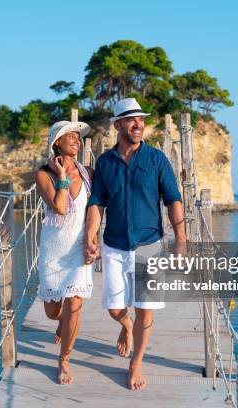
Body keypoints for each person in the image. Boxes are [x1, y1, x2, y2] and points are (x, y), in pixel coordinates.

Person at [84, 98, 187, 390]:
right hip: (114, 245)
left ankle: (136, 362)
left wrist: (181, 241)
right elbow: (96, 203)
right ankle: (125, 326)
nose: (138, 124)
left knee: (145, 307)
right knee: (115, 308)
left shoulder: (156, 160)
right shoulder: (104, 162)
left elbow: (173, 201)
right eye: (131, 120)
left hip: (149, 245)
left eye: (141, 119)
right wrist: (90, 237)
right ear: (117, 125)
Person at [35, 120, 94, 385]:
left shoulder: (88, 173)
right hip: (53, 252)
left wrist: (94, 240)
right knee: (53, 312)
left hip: (79, 250)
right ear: (56, 142)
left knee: (74, 304)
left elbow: (95, 209)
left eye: (78, 136)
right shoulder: (43, 175)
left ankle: (64, 361)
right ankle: (61, 323)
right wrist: (61, 177)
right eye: (69, 135)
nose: (76, 139)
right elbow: (59, 208)